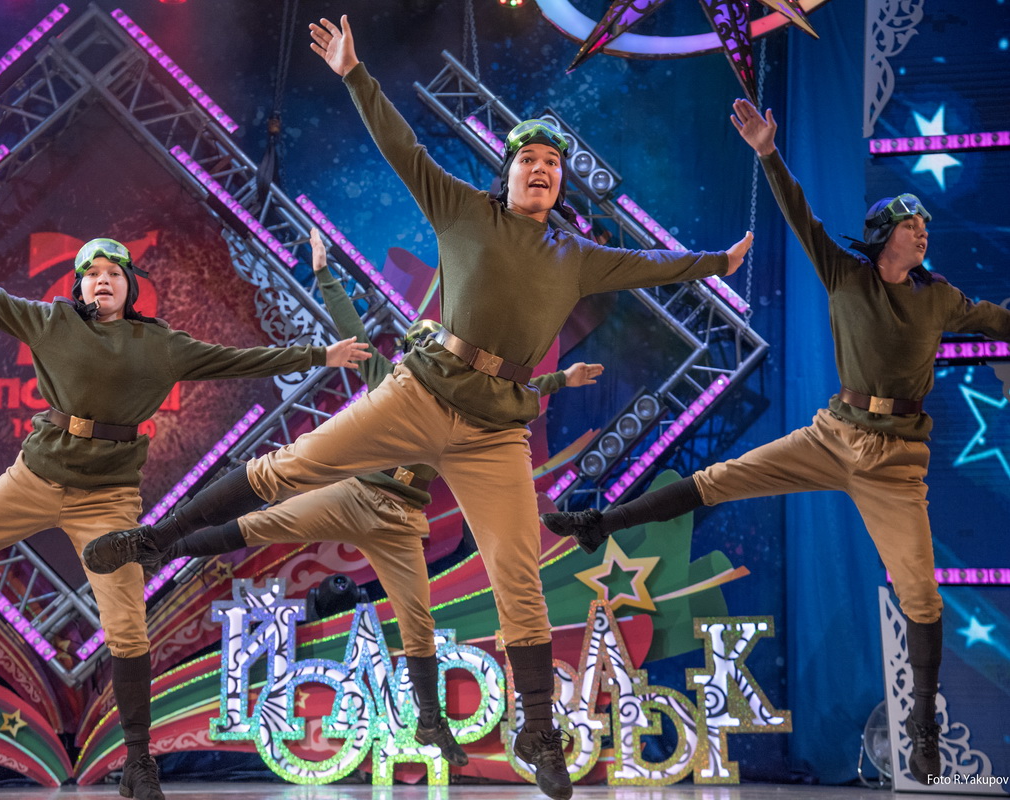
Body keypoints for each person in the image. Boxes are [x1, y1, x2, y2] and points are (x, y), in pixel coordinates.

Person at [82, 17, 751, 799]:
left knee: (520, 575)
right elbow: (403, 148)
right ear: (506, 173)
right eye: (528, 160)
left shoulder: (577, 257)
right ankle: (156, 541)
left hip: (494, 430)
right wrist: (354, 73)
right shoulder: (465, 211)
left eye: (552, 164)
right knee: (288, 468)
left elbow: (651, 264)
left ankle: (537, 729)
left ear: (561, 184)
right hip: (422, 392)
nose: (541, 170)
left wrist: (719, 261)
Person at [0, 205, 370, 800]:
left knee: (127, 624)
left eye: (113, 273)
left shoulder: (160, 345)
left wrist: (321, 356)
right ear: (78, 285)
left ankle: (138, 762)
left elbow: (242, 360)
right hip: (35, 477)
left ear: (131, 287)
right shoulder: (51, 321)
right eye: (91, 273)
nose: (102, 280)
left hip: (106, 499)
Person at [542, 98, 1010, 786]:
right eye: (913, 226)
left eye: (925, 228)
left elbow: (999, 320)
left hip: (896, 461)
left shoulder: (938, 297)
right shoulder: (845, 273)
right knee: (720, 478)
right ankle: (597, 523)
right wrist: (767, 152)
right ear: (885, 235)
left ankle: (923, 727)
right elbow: (800, 216)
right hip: (834, 434)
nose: (923, 235)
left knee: (922, 593)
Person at [161, 227, 605, 767]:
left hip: (400, 522)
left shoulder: (467, 404)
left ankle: (430, 721)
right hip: (353, 497)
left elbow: (515, 391)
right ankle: (165, 547)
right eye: (424, 347)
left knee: (418, 624)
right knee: (260, 524)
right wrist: (324, 272)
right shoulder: (391, 383)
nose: (433, 356)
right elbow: (353, 332)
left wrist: (562, 379)